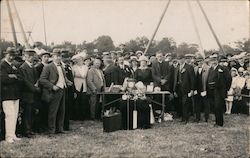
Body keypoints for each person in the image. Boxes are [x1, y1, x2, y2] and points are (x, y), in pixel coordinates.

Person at [40, 49, 73, 134]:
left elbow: (63, 77)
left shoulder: (61, 66)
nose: (58, 58)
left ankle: (60, 129)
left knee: (62, 111)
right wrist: (52, 86)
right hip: (54, 92)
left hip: (63, 90)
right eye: (56, 56)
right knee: (53, 112)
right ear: (53, 57)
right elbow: (42, 80)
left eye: (60, 56)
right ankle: (51, 130)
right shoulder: (48, 67)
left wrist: (67, 82)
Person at [0, 47, 22, 143]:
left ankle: (13, 134)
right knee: (9, 115)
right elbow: (3, 79)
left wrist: (12, 76)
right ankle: (8, 136)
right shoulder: (2, 65)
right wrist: (13, 76)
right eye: (10, 55)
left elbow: (21, 77)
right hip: (7, 95)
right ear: (6, 54)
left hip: (15, 94)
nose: (12, 57)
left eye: (13, 55)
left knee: (15, 115)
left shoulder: (14, 65)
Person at [19, 49, 41, 137]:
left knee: (32, 112)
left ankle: (30, 129)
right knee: (27, 113)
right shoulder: (22, 68)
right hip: (27, 94)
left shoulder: (33, 67)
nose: (31, 58)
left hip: (33, 94)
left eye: (32, 56)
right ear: (25, 57)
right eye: (29, 56)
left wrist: (37, 85)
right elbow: (25, 81)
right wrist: (35, 88)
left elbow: (37, 79)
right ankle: (26, 131)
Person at [207, 54, 231, 127]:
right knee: (214, 107)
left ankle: (220, 123)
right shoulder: (210, 69)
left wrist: (225, 89)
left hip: (219, 91)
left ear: (217, 60)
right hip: (211, 91)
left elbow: (229, 79)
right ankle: (217, 121)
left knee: (218, 106)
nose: (213, 62)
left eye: (214, 60)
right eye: (212, 60)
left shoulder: (223, 68)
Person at [176, 54, 195, 124]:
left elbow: (192, 79)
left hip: (186, 88)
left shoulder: (189, 67)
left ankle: (185, 118)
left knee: (185, 103)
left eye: (181, 59)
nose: (180, 60)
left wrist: (192, 89)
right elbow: (176, 78)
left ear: (184, 59)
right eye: (178, 59)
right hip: (179, 88)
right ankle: (183, 117)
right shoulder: (178, 67)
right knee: (181, 103)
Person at [71, 53, 89, 120]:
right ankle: (76, 116)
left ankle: (82, 116)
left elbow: (85, 76)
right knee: (77, 100)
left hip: (84, 84)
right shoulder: (74, 67)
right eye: (78, 60)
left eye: (81, 60)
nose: (79, 61)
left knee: (83, 100)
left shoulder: (86, 67)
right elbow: (72, 77)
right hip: (77, 84)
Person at [61, 51, 75, 130]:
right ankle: (62, 125)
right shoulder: (61, 67)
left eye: (68, 57)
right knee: (63, 108)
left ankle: (66, 125)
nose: (67, 59)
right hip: (64, 90)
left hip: (70, 90)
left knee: (68, 107)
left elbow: (72, 79)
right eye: (65, 57)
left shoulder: (69, 67)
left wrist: (74, 90)